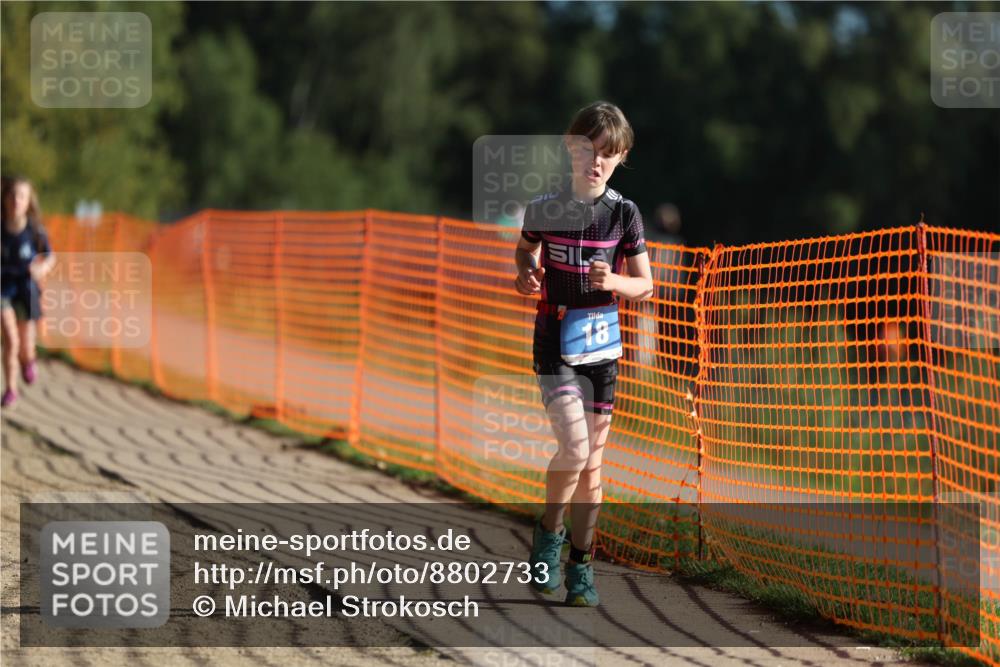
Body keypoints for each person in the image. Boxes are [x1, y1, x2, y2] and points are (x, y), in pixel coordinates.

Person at [513, 101, 654, 606]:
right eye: (588, 150)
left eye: (608, 154)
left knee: (592, 465)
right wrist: (525, 272)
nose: (596, 161)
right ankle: (548, 538)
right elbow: (525, 249)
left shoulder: (624, 214)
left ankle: (581, 567)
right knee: (574, 449)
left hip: (602, 347)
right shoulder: (545, 207)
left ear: (621, 158)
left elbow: (645, 285)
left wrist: (613, 280)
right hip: (554, 339)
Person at [1, 176, 55, 408]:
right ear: (5, 199)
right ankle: (11, 389)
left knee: (25, 344)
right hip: (3, 289)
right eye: (12, 195)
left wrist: (42, 268)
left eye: (21, 196)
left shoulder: (35, 231)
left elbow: (50, 256)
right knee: (10, 339)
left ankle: (28, 360)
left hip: (26, 290)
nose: (16, 201)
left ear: (28, 202)